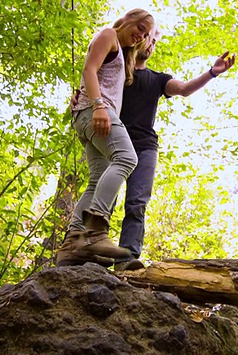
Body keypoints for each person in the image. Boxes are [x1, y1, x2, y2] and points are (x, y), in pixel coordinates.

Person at [71, 27, 236, 271]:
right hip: (112, 136)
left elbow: (184, 89)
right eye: (149, 37)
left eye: (155, 41)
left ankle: (127, 260)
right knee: (104, 194)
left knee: (137, 203)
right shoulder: (116, 69)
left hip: (145, 147)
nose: (151, 44)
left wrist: (212, 72)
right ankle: (85, 248)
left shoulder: (157, 79)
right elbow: (93, 79)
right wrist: (82, 101)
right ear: (137, 39)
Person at [55, 9, 156, 267]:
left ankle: (72, 243)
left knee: (96, 180)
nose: (141, 35)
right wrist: (98, 106)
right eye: (140, 27)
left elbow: (96, 76)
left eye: (145, 34)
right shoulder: (109, 34)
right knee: (126, 158)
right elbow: (89, 68)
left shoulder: (123, 56)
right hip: (97, 113)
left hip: (89, 114)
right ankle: (96, 231)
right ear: (127, 19)